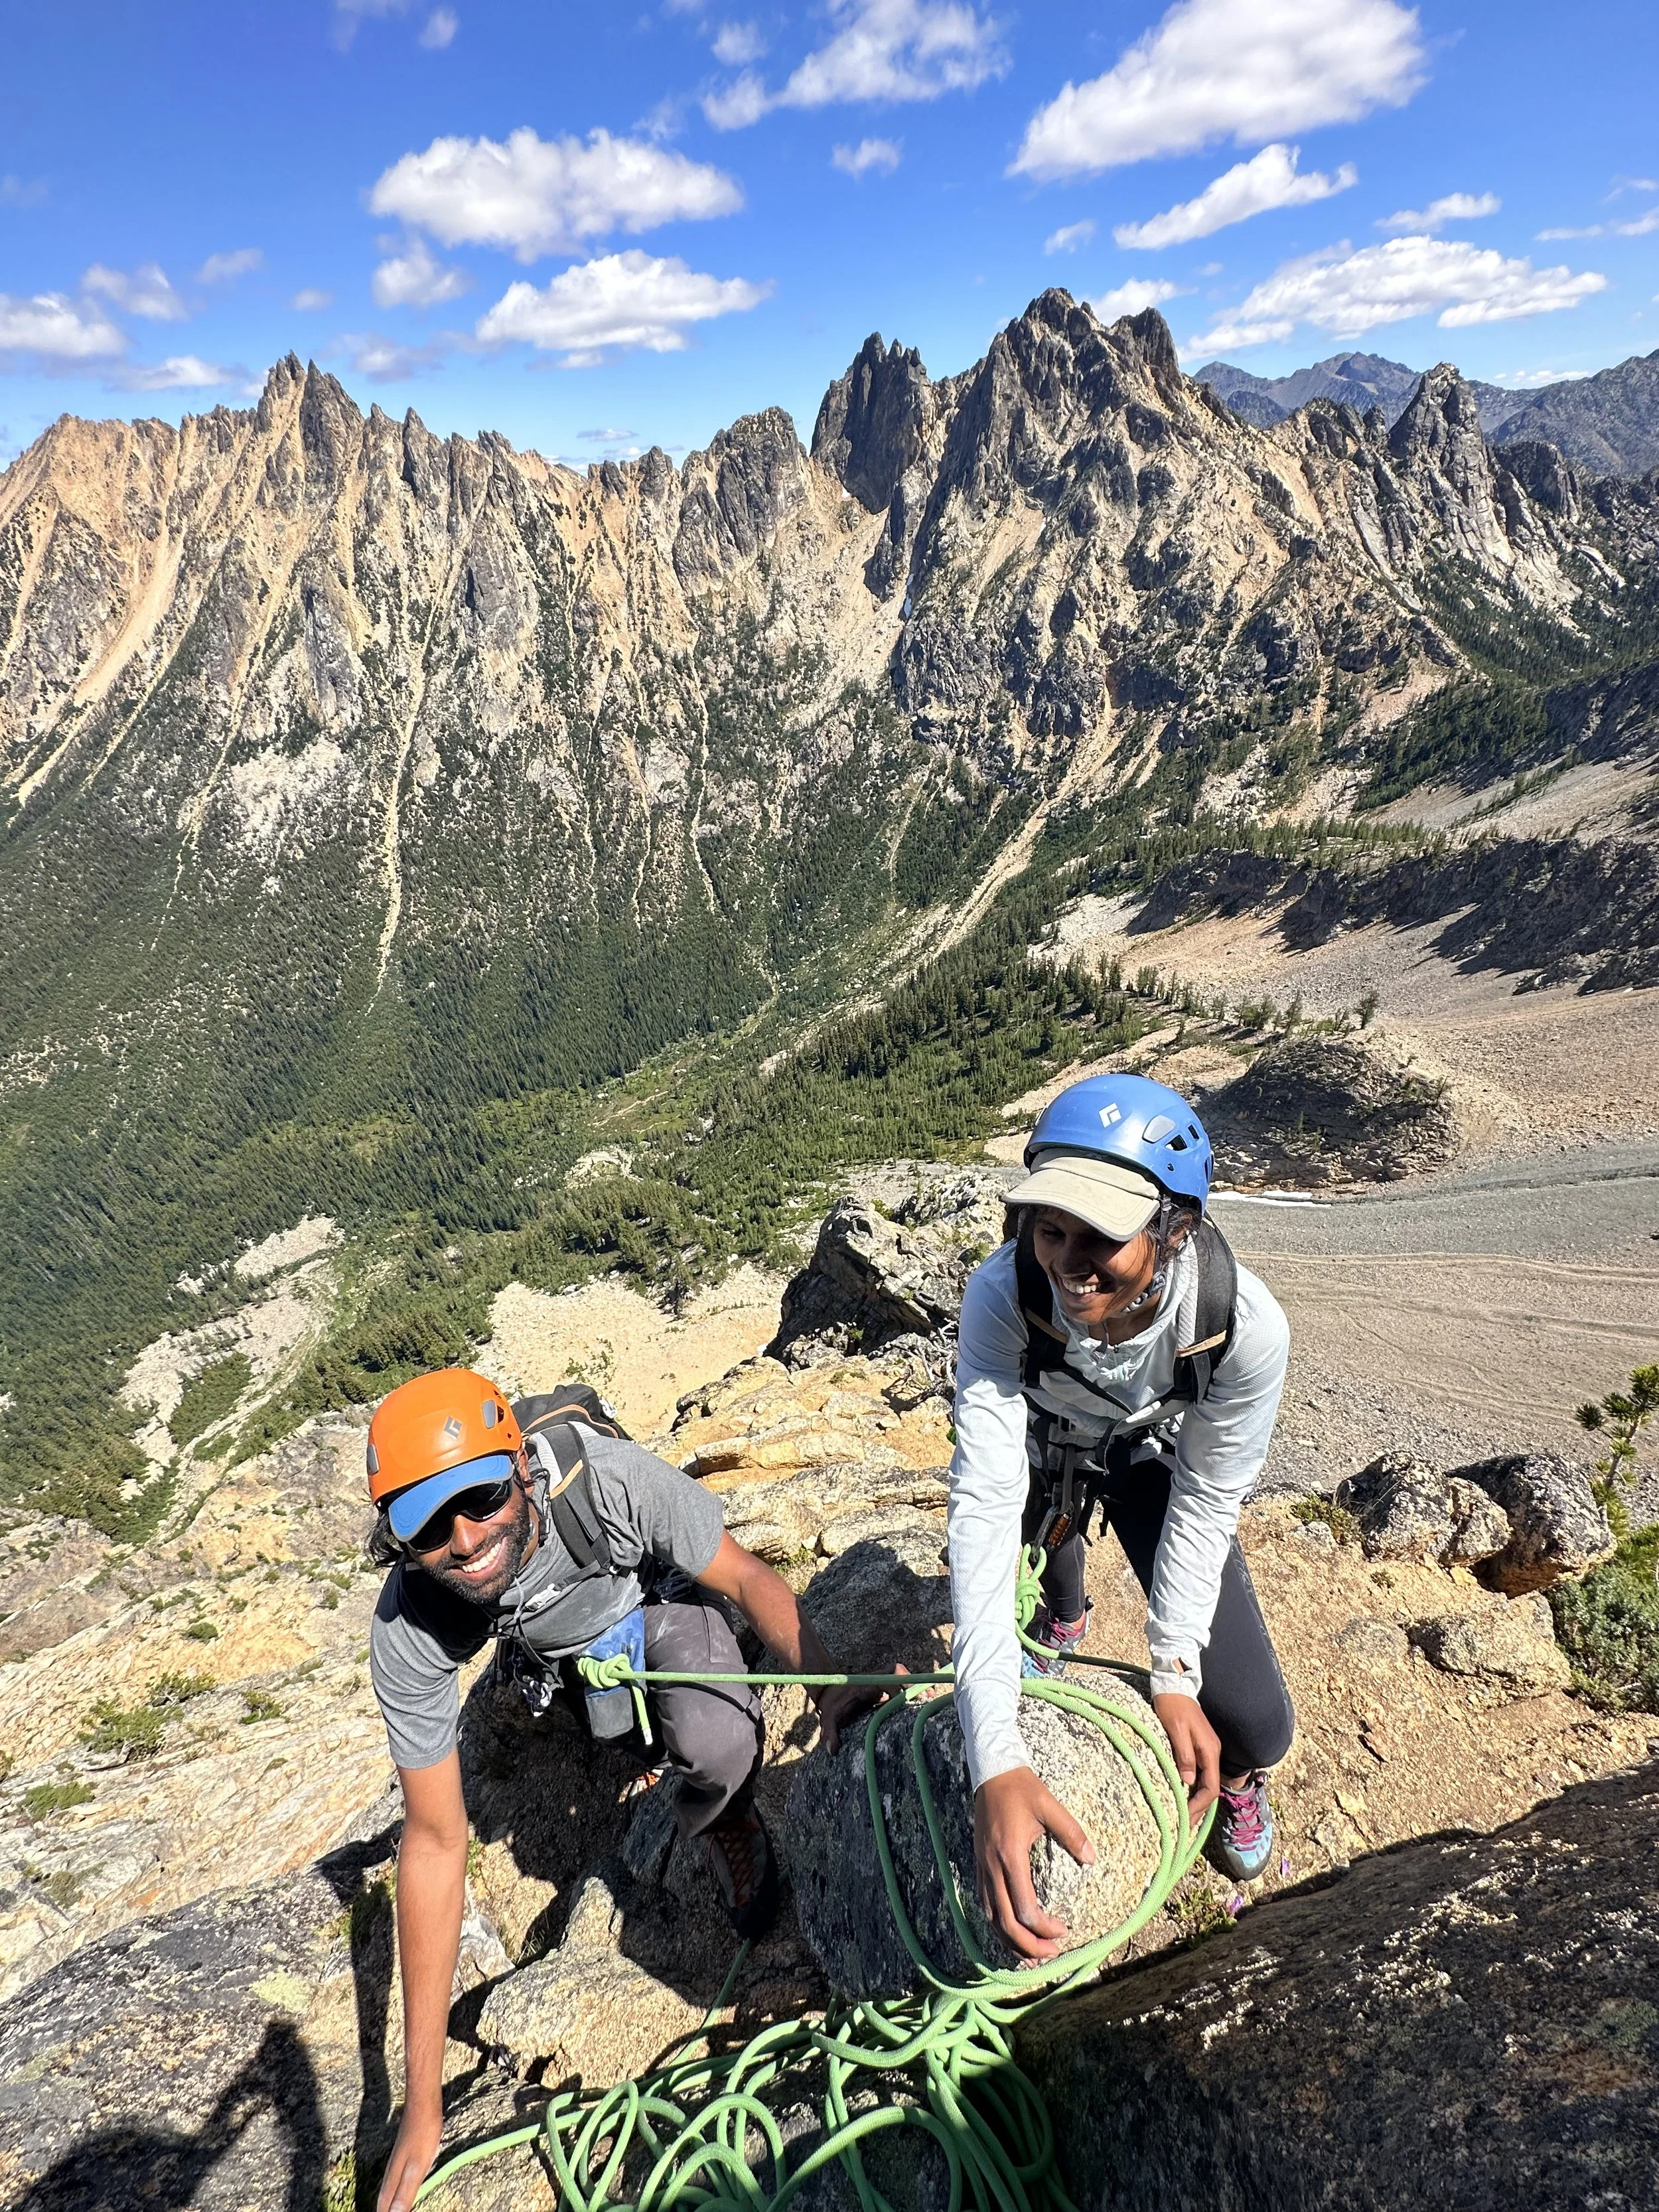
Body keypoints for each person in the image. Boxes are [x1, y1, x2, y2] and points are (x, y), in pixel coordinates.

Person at [364, 1368, 875, 2212]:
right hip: (549, 1651)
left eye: (483, 1497)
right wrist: (421, 2107)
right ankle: (611, 1711)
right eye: (427, 1528)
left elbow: (743, 1579)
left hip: (649, 1600)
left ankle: (724, 1822)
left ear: (520, 1469)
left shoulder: (603, 1484)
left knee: (716, 1741)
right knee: (610, 1716)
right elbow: (433, 1840)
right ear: (398, 1544)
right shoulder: (411, 1623)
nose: (463, 1539)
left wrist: (829, 1686)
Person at [948, 1072, 1295, 1963]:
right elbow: (985, 1503)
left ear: (1176, 1228)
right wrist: (994, 1754)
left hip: (1147, 1454)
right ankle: (1063, 1616)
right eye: (1049, 1228)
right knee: (1035, 1575)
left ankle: (1239, 1776)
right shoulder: (1002, 1295)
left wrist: (1175, 1673)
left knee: (1258, 1725)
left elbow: (1211, 1494)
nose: (1067, 1262)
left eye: (1100, 1235)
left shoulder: (1237, 1324)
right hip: (1039, 1449)